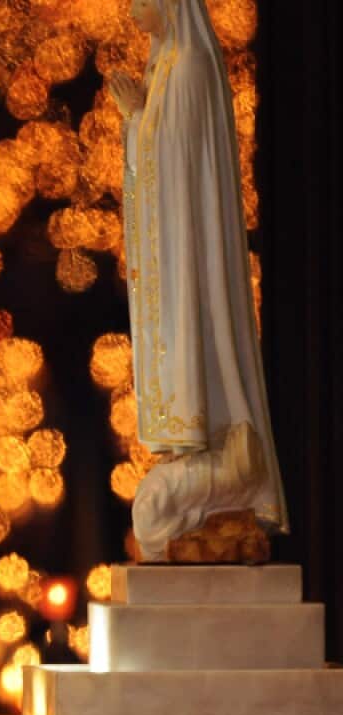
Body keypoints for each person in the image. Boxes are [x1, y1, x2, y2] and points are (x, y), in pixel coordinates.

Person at [108, 0, 287, 560]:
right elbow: (160, 157)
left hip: (186, 252)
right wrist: (137, 121)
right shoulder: (164, 66)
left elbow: (179, 162)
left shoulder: (186, 66)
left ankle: (209, 441)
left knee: (189, 335)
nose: (132, 11)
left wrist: (140, 123)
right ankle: (193, 451)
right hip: (171, 252)